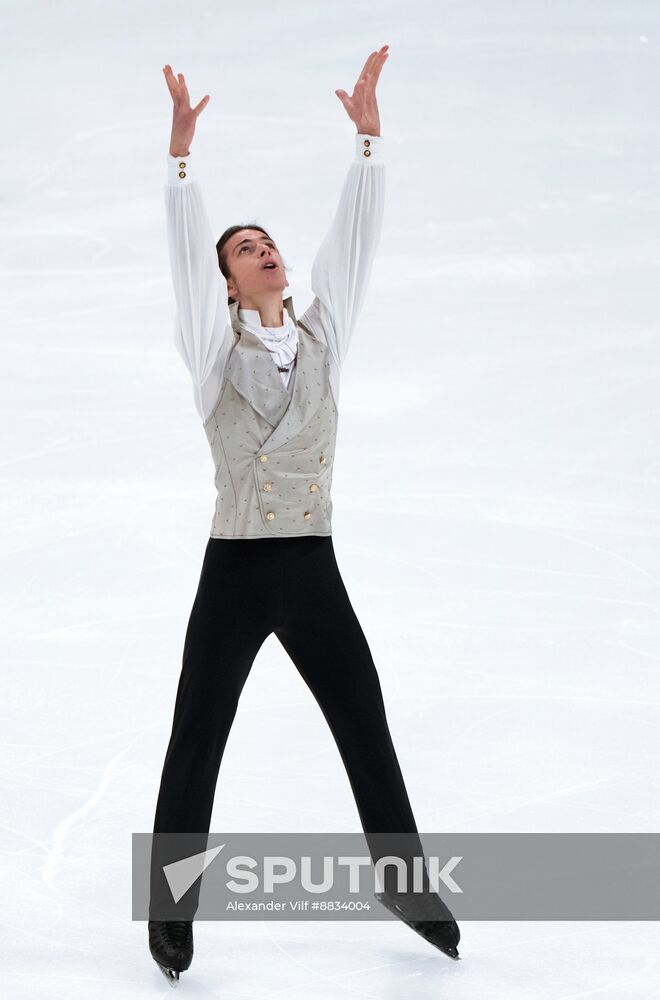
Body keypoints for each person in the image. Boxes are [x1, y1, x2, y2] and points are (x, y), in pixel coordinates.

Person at [148, 47, 461, 985]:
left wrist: (368, 143)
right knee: (196, 734)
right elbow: (183, 263)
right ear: (228, 283)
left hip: (310, 564)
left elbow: (352, 249)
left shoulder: (325, 331)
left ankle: (406, 886)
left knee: (363, 720)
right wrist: (180, 164)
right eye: (244, 250)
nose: (266, 251)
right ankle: (171, 912)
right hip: (238, 566)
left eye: (268, 241)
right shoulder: (212, 346)